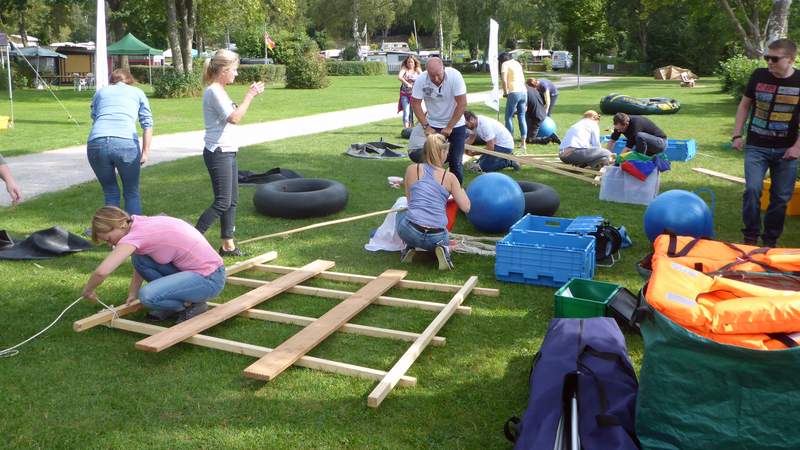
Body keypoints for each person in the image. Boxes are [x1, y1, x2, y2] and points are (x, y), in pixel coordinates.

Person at [81, 206, 226, 323]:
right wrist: (132, 293)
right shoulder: (139, 223)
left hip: (210, 278)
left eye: (108, 238)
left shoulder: (136, 236)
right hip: (206, 271)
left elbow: (102, 271)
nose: (109, 243)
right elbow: (140, 263)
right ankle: (174, 301)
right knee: (139, 259)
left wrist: (88, 291)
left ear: (120, 225)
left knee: (147, 296)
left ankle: (192, 305)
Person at [195, 49, 265, 257]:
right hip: (218, 152)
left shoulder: (220, 90)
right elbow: (234, 118)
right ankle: (191, 238)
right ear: (223, 70)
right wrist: (250, 96)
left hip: (227, 150)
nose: (236, 74)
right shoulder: (214, 91)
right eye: (234, 69)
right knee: (223, 201)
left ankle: (228, 246)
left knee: (232, 199)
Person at [732, 38, 800, 247]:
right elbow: (744, 106)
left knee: (780, 198)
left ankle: (770, 240)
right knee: (752, 190)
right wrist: (737, 135)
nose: (769, 62)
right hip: (756, 146)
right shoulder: (758, 76)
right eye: (766, 57)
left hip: (786, 150)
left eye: (774, 58)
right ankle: (750, 236)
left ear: (791, 59)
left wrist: (797, 146)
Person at [397, 134, 471, 270]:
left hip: (410, 231)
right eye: (447, 151)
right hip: (436, 236)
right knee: (440, 235)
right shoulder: (450, 177)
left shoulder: (412, 169)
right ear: (442, 152)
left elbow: (410, 202)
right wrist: (460, 188)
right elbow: (466, 208)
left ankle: (410, 246)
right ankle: (442, 249)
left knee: (401, 213)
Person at [87, 68, 153, 215]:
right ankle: (135, 232)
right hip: (126, 143)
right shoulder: (137, 93)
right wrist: (145, 152)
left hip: (96, 142)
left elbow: (95, 116)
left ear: (112, 80)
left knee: (110, 192)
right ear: (130, 80)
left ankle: (109, 231)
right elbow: (147, 124)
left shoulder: (101, 92)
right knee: (131, 192)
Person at [411, 57, 468, 184]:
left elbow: (462, 104)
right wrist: (426, 126)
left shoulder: (455, 76)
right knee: (433, 160)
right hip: (433, 125)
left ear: (443, 68)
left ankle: (456, 192)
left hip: (456, 124)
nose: (436, 79)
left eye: (438, 75)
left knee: (456, 161)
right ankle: (434, 189)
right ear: (427, 72)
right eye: (432, 76)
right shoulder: (421, 80)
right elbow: (415, 104)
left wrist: (449, 127)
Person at [499, 52, 528, 150]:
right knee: (522, 116)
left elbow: (504, 80)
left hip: (514, 91)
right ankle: (523, 143)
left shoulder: (504, 64)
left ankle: (510, 141)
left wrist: (505, 92)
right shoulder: (517, 63)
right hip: (524, 91)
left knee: (508, 117)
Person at [525, 78, 559, 145]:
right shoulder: (535, 88)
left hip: (552, 95)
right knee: (539, 109)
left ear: (535, 86)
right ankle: (537, 134)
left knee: (547, 114)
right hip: (537, 115)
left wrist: (545, 112)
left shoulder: (543, 85)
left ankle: (550, 133)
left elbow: (548, 101)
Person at [397, 55, 422, 129]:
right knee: (406, 112)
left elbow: (423, 76)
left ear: (414, 62)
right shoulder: (404, 68)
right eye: (408, 62)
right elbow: (399, 77)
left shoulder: (417, 69)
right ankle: (406, 129)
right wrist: (407, 84)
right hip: (404, 94)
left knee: (414, 112)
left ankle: (413, 127)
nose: (410, 64)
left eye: (411, 62)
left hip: (414, 94)